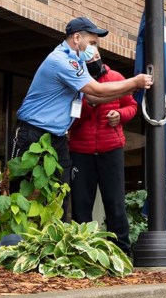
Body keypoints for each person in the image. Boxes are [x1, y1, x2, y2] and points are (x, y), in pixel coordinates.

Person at [12, 17, 153, 184]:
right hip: (33, 133)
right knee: (14, 186)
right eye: (92, 43)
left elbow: (92, 98)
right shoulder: (61, 60)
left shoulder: (78, 61)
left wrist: (130, 89)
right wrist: (134, 82)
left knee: (60, 191)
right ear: (77, 38)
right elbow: (96, 89)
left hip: (57, 137)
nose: (94, 49)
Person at [68, 48, 138, 254]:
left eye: (97, 57)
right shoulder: (75, 83)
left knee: (115, 202)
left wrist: (120, 114)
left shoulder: (116, 78)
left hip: (111, 148)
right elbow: (70, 120)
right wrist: (90, 102)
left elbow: (132, 105)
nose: (96, 62)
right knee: (81, 204)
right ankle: (83, 252)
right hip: (81, 151)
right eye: (90, 60)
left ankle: (122, 252)